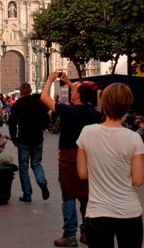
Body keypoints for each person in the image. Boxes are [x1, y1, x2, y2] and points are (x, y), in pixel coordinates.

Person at [77, 83, 144, 248]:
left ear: (104, 103)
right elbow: (138, 180)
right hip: (129, 212)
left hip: (98, 212)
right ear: (127, 105)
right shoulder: (134, 138)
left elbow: (82, 173)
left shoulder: (87, 132)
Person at [41, 71, 97, 247]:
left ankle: (70, 234)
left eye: (75, 91)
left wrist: (50, 80)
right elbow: (83, 97)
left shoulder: (68, 111)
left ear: (78, 96)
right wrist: (70, 83)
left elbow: (44, 98)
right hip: (87, 157)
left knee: (69, 196)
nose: (73, 92)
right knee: (85, 196)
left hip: (68, 157)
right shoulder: (90, 112)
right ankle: (87, 232)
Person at [9, 82, 50, 202]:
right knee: (36, 163)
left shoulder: (17, 105)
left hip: (23, 139)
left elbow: (12, 123)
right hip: (37, 138)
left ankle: (27, 194)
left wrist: (14, 138)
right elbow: (46, 118)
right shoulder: (38, 103)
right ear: (31, 91)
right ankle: (42, 181)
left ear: (21, 92)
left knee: (23, 167)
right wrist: (42, 128)